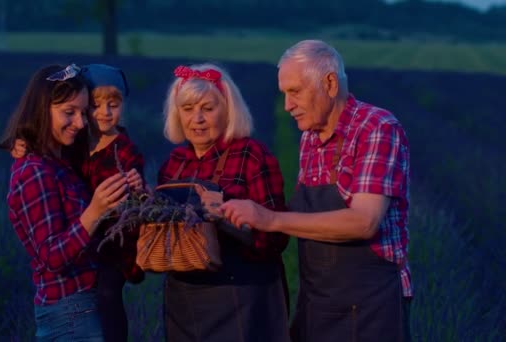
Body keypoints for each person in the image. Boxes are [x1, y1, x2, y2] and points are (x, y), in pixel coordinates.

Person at [221, 39, 412, 341]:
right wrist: (227, 206)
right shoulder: (310, 137)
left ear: (331, 83)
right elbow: (303, 217)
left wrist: (269, 219)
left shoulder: (376, 127)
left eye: (295, 92)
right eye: (284, 94)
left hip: (371, 311)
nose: (286, 106)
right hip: (318, 306)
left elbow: (364, 222)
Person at [10, 64, 146, 342]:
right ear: (40, 109)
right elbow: (52, 256)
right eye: (69, 112)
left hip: (84, 305)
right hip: (70, 311)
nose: (82, 122)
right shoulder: (35, 171)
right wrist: (96, 210)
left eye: (83, 112)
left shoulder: (62, 161)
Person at [157, 63, 291, 342]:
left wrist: (228, 220)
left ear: (228, 109)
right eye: (188, 109)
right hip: (184, 300)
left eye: (208, 108)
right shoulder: (174, 165)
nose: (198, 119)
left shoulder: (251, 155)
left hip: (242, 298)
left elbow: (276, 239)